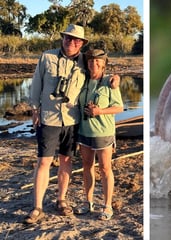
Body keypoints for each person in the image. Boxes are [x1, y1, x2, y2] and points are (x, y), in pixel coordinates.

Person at [25, 24, 119, 224]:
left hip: (72, 120)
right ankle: (37, 207)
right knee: (43, 161)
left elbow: (101, 73)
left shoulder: (84, 62)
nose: (72, 42)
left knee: (66, 161)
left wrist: (115, 79)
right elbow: (36, 84)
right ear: (63, 38)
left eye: (77, 40)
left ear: (82, 44)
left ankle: (61, 200)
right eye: (68, 38)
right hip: (49, 117)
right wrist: (35, 110)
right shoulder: (47, 57)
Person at [74, 48, 123, 221]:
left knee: (105, 168)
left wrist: (100, 111)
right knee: (87, 166)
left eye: (97, 61)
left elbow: (119, 108)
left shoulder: (110, 82)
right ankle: (88, 202)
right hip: (84, 131)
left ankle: (107, 205)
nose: (93, 64)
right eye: (90, 61)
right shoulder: (82, 81)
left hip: (103, 132)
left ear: (103, 65)